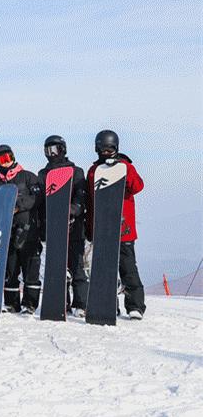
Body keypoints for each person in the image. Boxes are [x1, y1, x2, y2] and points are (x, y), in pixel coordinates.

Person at [85, 130, 146, 319]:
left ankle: (135, 306)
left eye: (110, 149)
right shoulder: (94, 170)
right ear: (97, 149)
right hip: (102, 230)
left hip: (123, 229)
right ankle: (108, 304)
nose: (106, 152)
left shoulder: (125, 166)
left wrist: (124, 171)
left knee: (128, 268)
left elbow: (138, 187)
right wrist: (89, 229)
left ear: (116, 148)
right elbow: (90, 201)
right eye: (102, 149)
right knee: (104, 270)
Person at [37, 136, 88, 314]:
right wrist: (41, 228)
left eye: (54, 150)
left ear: (63, 150)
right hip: (53, 228)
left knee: (76, 266)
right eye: (47, 151)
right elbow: (41, 203)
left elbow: (82, 195)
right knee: (57, 266)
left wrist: (74, 209)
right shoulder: (44, 175)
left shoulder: (76, 171)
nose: (51, 154)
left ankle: (80, 303)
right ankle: (61, 302)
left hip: (74, 227)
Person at [0, 144, 43, 313]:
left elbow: (37, 198)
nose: (6, 162)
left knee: (31, 269)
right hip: (8, 233)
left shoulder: (28, 177)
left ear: (13, 157)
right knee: (11, 269)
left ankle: (30, 303)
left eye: (8, 158)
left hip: (29, 230)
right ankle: (12, 303)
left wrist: (18, 206)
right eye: (1, 160)